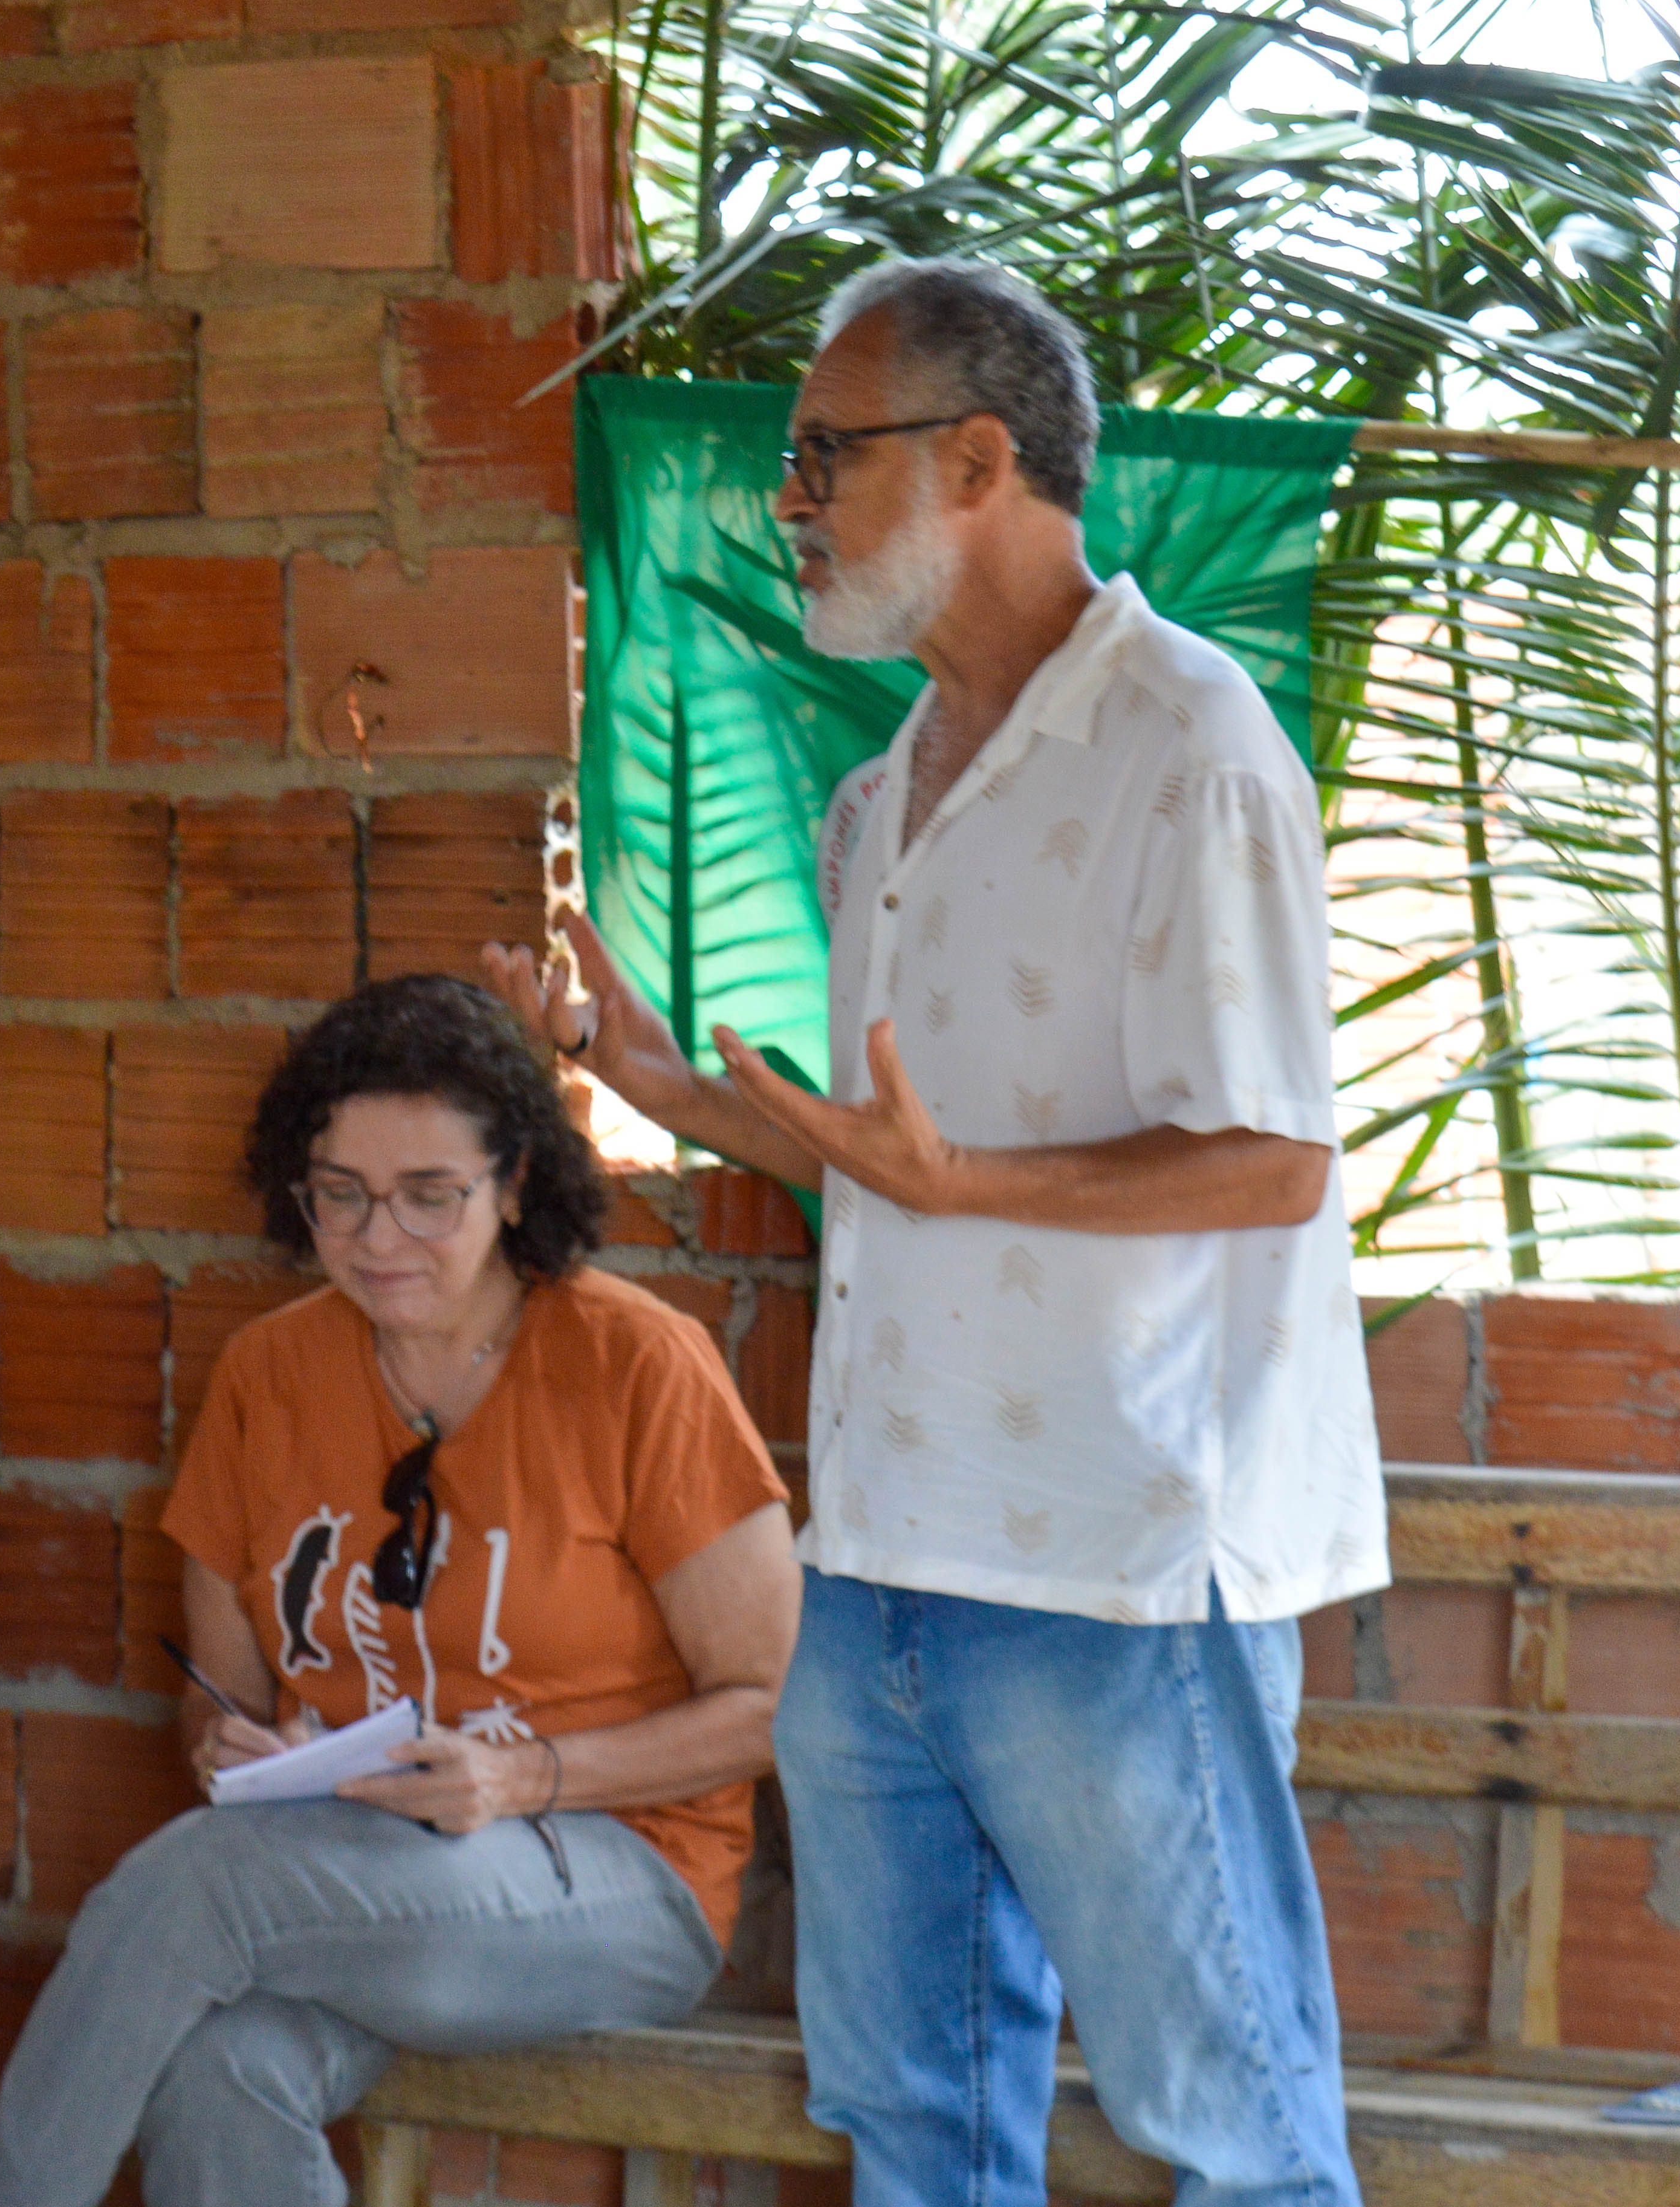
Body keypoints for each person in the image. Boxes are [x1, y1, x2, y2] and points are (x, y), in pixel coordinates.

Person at [483, 258, 1383, 2207]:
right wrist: (651, 1080)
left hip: (1118, 1566)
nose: (787, 500)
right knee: (916, 2134)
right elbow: (885, 1158)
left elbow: (1271, 1163)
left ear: (979, 462)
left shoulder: (1189, 739)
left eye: (824, 454)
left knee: (1234, 2142)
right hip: (882, 1555)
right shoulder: (881, 791)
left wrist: (964, 1182)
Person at [0, 973, 799, 2207]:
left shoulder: (637, 1363)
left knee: (200, 1884)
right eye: (339, 1194)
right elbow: (216, 1698)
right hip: (359, 1864)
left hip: (616, 1869)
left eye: (428, 1196)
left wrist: (520, 1777)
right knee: (220, 2067)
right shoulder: (267, 1374)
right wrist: (237, 1745)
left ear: (514, 1184)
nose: (378, 1238)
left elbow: (776, 1705)